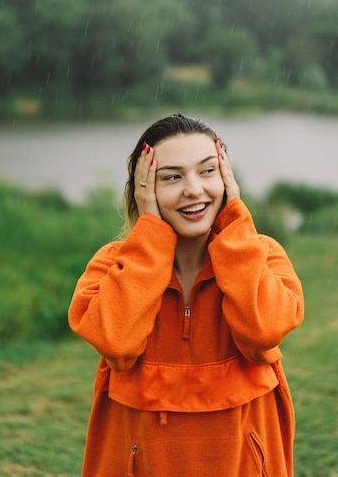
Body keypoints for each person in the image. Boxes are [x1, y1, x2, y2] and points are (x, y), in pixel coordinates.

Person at [68, 113, 304, 477]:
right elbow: (117, 344)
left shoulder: (262, 254)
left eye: (208, 171)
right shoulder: (112, 266)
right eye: (172, 177)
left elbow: (262, 333)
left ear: (227, 179)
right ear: (143, 190)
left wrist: (235, 225)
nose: (194, 189)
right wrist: (149, 241)